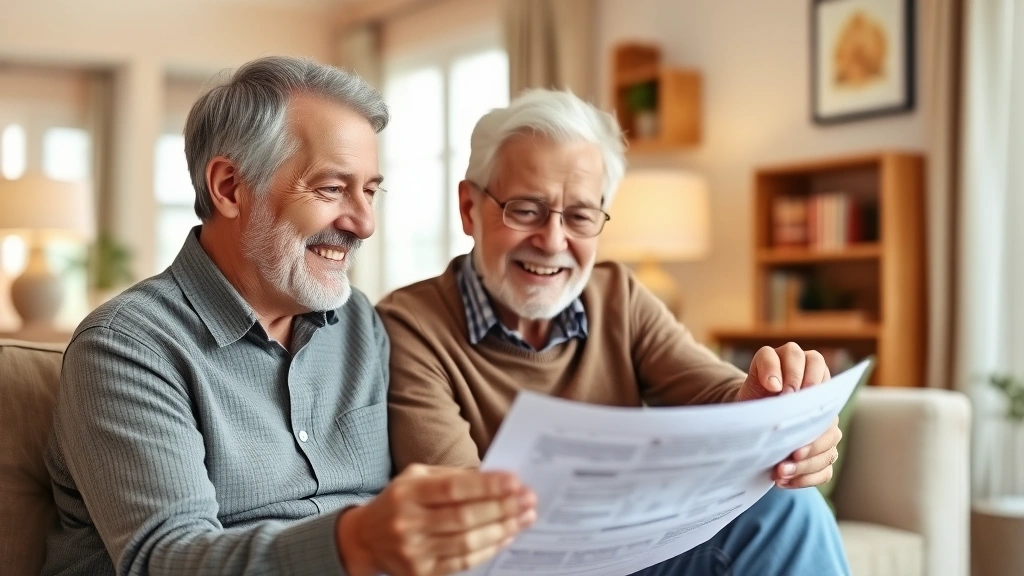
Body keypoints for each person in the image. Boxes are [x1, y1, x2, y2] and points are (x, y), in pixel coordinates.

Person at [42, 56, 536, 576]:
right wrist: (353, 543)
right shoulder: (127, 346)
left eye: (369, 190)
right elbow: (165, 561)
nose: (364, 224)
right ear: (230, 187)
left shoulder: (359, 325)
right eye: (331, 189)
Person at [377, 88, 851, 575]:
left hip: (629, 555)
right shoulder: (409, 325)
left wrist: (780, 415)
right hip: (514, 562)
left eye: (581, 216)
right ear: (470, 208)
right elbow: (457, 513)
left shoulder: (617, 295)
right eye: (525, 210)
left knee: (790, 509)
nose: (553, 240)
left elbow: (721, 391)